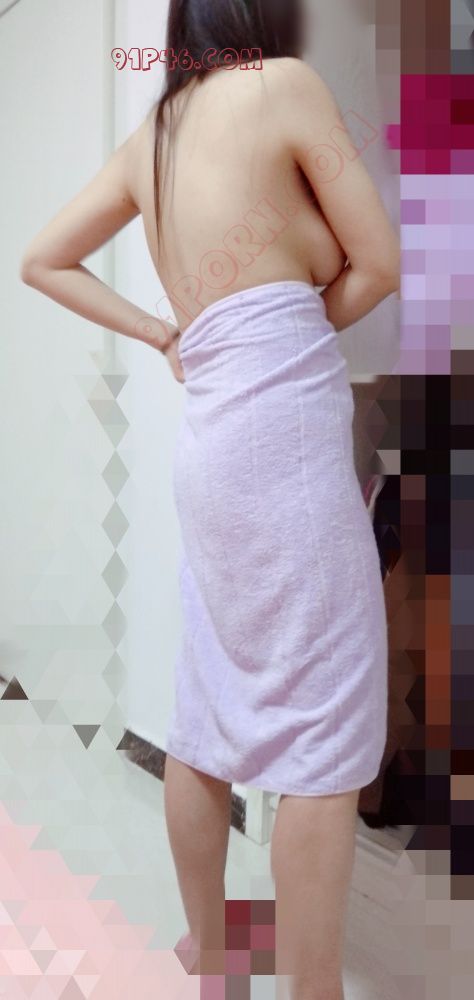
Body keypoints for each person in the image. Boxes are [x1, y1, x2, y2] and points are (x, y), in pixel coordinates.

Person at [20, 2, 400, 997]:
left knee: (208, 705)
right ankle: (313, 988)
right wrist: (300, 308)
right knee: (324, 732)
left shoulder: (156, 133)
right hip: (285, 451)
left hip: (212, 456)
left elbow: (41, 259)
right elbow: (379, 264)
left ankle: (215, 957)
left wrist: (163, 332)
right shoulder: (282, 86)